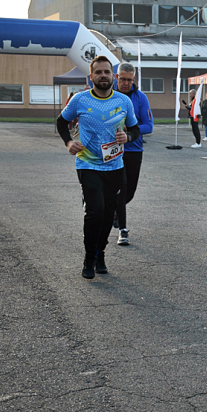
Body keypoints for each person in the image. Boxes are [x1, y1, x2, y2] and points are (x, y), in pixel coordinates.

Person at [56, 56, 140, 279]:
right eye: (98, 72)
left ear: (113, 76)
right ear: (91, 76)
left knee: (106, 214)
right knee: (94, 211)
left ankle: (100, 252)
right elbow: (61, 122)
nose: (103, 75)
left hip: (114, 166)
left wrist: (127, 136)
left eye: (106, 72)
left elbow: (135, 129)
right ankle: (89, 257)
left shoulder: (123, 101)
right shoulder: (79, 100)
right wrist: (68, 142)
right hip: (87, 163)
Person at [112, 63, 154, 246]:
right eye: (123, 79)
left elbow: (149, 125)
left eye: (129, 80)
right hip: (112, 151)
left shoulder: (140, 98)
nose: (126, 83)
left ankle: (113, 211)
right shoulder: (108, 95)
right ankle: (123, 229)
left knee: (130, 192)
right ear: (116, 77)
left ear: (134, 79)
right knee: (120, 190)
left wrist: (130, 130)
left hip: (134, 149)